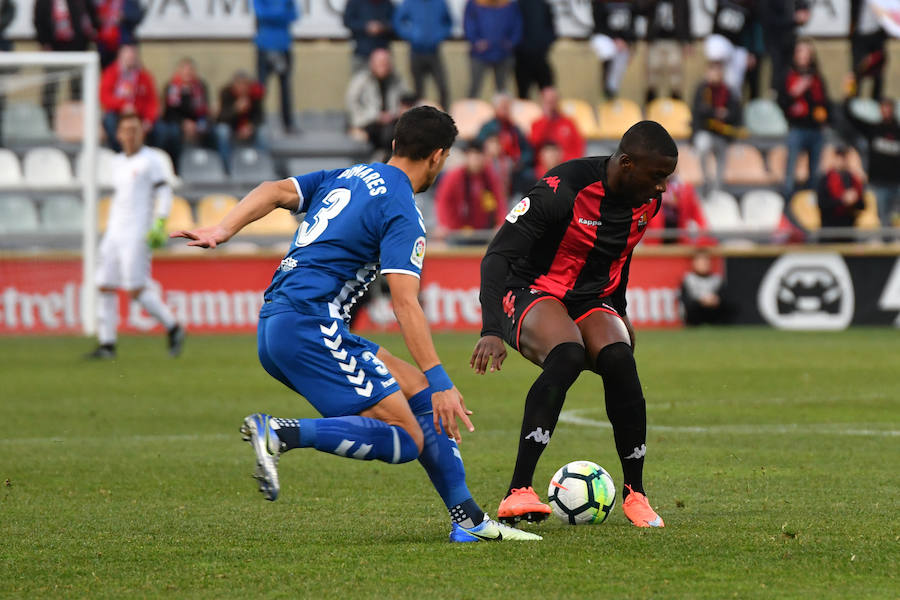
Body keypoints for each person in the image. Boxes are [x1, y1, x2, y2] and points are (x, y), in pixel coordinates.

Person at [171, 106, 540, 543]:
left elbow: (273, 190)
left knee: (417, 391)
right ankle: (280, 433)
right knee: (406, 439)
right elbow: (405, 304)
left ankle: (469, 521)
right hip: (311, 326)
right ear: (439, 156)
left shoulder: (349, 175)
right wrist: (444, 380)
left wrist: (223, 228)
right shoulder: (402, 208)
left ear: (395, 145)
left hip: (284, 322)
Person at [471, 120, 677, 528]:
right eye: (657, 177)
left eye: (666, 178)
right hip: (530, 288)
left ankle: (637, 493)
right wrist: (491, 329)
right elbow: (497, 256)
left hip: (589, 296)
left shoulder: (646, 203)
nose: (662, 189)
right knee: (567, 354)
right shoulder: (562, 188)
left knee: (620, 358)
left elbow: (619, 258)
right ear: (627, 164)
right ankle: (518, 491)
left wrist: (621, 310)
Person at [86, 113, 185, 360]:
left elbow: (164, 193)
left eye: (135, 130)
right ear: (118, 135)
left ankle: (173, 326)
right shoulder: (118, 161)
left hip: (138, 232)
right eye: (126, 130)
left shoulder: (151, 160)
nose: (130, 135)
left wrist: (159, 222)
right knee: (104, 285)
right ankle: (107, 344)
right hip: (114, 231)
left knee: (135, 289)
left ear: (143, 133)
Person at [33, 0, 99, 124]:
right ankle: (48, 122)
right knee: (50, 86)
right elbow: (38, 20)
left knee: (77, 87)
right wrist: (44, 42)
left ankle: (77, 121)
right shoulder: (43, 2)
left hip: (76, 47)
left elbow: (90, 17)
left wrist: (90, 38)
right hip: (53, 48)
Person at [842, 93, 900, 229]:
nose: (886, 111)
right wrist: (849, 95)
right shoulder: (874, 129)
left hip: (897, 184)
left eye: (888, 107)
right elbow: (850, 118)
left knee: (895, 219)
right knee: (880, 219)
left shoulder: (898, 131)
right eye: (883, 107)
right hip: (878, 184)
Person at [782, 39, 829, 199]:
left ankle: (811, 203)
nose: (803, 56)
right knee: (791, 170)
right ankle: (787, 202)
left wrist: (824, 119)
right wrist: (795, 91)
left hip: (816, 129)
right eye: (800, 52)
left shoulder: (816, 77)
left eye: (807, 52)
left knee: (815, 172)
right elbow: (783, 102)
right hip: (797, 128)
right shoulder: (789, 76)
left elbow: (824, 102)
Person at [433, 139, 506, 241]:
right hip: (457, 233)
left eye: (480, 156)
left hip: (483, 232)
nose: (477, 160)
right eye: (474, 156)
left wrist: (501, 223)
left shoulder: (489, 176)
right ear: (467, 156)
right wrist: (443, 224)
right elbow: (442, 201)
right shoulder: (454, 176)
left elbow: (499, 200)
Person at [346, 48, 409, 160]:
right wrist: (375, 116)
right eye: (380, 63)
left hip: (391, 121)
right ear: (372, 64)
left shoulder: (396, 79)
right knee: (384, 134)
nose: (383, 66)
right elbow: (352, 103)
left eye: (386, 63)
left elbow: (406, 97)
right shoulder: (362, 80)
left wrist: (399, 111)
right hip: (368, 122)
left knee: (396, 132)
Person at [691, 60, 741, 197]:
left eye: (718, 71)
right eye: (712, 71)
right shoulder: (702, 89)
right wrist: (716, 112)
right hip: (706, 131)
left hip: (722, 134)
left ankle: (717, 189)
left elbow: (736, 113)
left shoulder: (728, 90)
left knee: (722, 159)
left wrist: (726, 114)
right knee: (702, 144)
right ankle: (706, 180)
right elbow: (699, 111)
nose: (715, 74)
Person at [393, 0, 453, 110]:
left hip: (434, 52)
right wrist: (411, 35)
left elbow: (448, 22)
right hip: (416, 52)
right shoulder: (409, 3)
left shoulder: (440, 3)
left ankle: (444, 119)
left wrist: (439, 35)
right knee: (418, 90)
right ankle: (420, 119)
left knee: (443, 87)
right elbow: (398, 21)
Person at [100, 44, 159, 152]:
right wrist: (122, 105)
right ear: (120, 57)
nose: (130, 59)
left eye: (132, 57)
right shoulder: (111, 73)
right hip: (117, 115)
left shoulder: (144, 76)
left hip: (138, 115)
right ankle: (121, 153)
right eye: (127, 57)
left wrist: (149, 120)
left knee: (160, 129)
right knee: (109, 121)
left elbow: (152, 101)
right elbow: (104, 97)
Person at [477, 93, 535, 197]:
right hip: (493, 164)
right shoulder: (487, 128)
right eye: (503, 107)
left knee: (530, 176)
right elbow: (478, 148)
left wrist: (520, 161)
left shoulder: (514, 128)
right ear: (495, 108)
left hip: (515, 167)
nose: (506, 110)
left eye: (508, 107)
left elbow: (527, 150)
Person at [253, 0, 299, 132]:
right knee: (261, 87)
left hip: (284, 46)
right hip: (265, 46)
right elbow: (262, 14)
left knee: (285, 87)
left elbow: (294, 15)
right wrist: (281, 14)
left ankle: (288, 124)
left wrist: (276, 15)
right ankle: (256, 122)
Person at [157, 58, 210, 167]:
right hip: (176, 122)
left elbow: (204, 109)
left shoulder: (200, 87)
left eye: (190, 70)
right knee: (173, 132)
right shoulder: (172, 87)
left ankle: (206, 164)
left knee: (208, 129)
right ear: (179, 71)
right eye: (185, 70)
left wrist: (196, 124)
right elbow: (170, 112)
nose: (188, 73)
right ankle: (176, 165)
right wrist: (184, 123)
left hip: (196, 121)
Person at [463, 0, 522, 98]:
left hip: (503, 53)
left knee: (502, 90)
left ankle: (501, 112)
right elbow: (468, 24)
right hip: (479, 54)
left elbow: (517, 25)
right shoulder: (474, 3)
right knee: (475, 87)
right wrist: (476, 41)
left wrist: (511, 42)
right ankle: (470, 111)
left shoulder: (510, 4)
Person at [214, 71, 265, 171]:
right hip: (232, 128)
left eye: (245, 85)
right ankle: (226, 167)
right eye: (240, 84)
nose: (243, 88)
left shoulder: (254, 95)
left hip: (248, 129)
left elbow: (259, 117)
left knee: (264, 132)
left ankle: (262, 164)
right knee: (222, 131)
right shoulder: (226, 93)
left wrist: (251, 127)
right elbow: (220, 118)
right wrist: (235, 110)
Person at [758, 0, 809, 99]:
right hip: (774, 40)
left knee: (789, 74)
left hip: (790, 40)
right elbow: (767, 18)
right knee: (777, 75)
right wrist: (793, 19)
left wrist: (804, 12)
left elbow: (802, 5)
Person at [643, 0, 691, 104]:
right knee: (653, 70)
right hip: (656, 40)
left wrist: (687, 41)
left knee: (675, 71)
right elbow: (641, 8)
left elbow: (686, 17)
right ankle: (651, 103)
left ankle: (676, 103)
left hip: (674, 40)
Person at [529, 86, 585, 176]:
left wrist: (561, 158)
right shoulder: (537, 124)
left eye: (553, 101)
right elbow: (534, 148)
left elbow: (579, 148)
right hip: (542, 171)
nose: (551, 105)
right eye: (548, 101)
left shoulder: (568, 123)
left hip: (566, 168)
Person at [815, 146, 866, 241]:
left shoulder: (853, 180)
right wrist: (842, 200)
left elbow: (862, 205)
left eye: (844, 157)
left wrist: (854, 200)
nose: (842, 160)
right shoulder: (825, 180)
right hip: (829, 231)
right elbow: (822, 204)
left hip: (848, 230)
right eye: (839, 156)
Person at [704, 0, 754, 96]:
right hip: (721, 42)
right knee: (716, 48)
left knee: (734, 85)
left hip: (737, 48)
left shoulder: (749, 9)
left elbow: (749, 33)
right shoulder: (723, 3)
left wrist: (750, 53)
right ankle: (714, 76)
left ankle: (733, 104)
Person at [644, 175, 712, 245]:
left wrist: (704, 237)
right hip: (654, 243)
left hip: (680, 241)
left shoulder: (685, 189)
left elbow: (699, 217)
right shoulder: (651, 190)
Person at [590, 0, 637, 99]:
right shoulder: (600, 3)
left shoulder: (630, 4)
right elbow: (598, 24)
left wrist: (627, 42)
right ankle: (605, 81)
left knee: (623, 53)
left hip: (621, 40)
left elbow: (631, 26)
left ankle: (611, 88)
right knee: (608, 51)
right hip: (603, 36)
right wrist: (614, 39)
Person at [513, 0, 556, 100]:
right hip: (522, 58)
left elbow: (551, 31)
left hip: (540, 56)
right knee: (523, 95)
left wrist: (544, 46)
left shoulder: (544, 6)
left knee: (548, 92)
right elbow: (513, 29)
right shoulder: (517, 6)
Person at [680, 250, 733, 325]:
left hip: (713, 313)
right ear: (694, 263)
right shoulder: (688, 279)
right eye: (701, 261)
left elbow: (724, 298)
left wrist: (716, 300)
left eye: (706, 261)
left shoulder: (716, 279)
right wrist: (701, 301)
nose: (704, 264)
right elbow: (684, 300)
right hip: (695, 315)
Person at [850, 0, 888, 99]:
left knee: (878, 71)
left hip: (877, 36)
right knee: (857, 69)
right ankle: (853, 99)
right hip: (860, 36)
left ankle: (876, 98)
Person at [343, 0, 394, 72]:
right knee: (360, 81)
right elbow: (347, 21)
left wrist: (382, 27)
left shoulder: (387, 3)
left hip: (382, 53)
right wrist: (365, 26)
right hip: (361, 53)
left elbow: (395, 23)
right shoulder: (354, 2)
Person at [94, 0, 144, 69]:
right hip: (104, 47)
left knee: (124, 70)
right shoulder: (102, 3)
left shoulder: (128, 2)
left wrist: (124, 15)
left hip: (122, 45)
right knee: (107, 72)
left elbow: (137, 15)